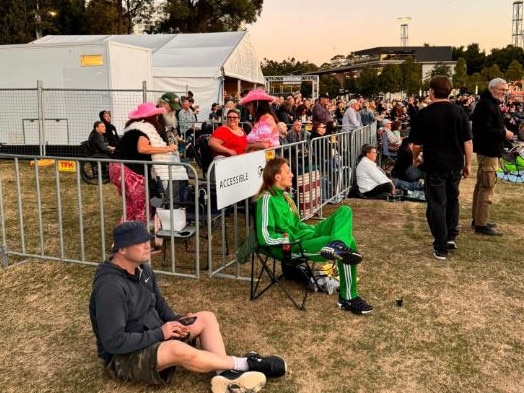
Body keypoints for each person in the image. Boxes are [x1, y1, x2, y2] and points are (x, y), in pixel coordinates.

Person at [89, 221, 286, 393]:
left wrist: (175, 320)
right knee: (176, 348)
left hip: (154, 334)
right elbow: (114, 342)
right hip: (123, 358)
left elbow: (158, 303)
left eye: (147, 240)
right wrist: (161, 333)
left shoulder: (143, 269)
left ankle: (226, 377)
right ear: (121, 249)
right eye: (139, 242)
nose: (147, 245)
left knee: (206, 318)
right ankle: (245, 364)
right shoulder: (110, 287)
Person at [254, 157, 373, 315]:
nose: (292, 175)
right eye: (288, 171)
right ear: (277, 176)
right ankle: (348, 298)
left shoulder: (285, 197)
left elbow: (296, 224)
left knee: (345, 211)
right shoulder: (266, 200)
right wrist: (291, 238)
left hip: (306, 234)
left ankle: (337, 245)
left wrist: (309, 230)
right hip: (290, 247)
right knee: (349, 242)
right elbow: (264, 237)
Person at [410, 75, 473, 260]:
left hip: (435, 165)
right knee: (453, 199)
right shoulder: (459, 111)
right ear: (450, 91)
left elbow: (416, 144)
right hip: (455, 164)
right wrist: (468, 163)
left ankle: (441, 245)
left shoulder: (425, 114)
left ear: (431, 91)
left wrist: (415, 159)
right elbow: (467, 142)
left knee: (437, 204)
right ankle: (450, 236)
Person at [109, 103, 177, 223]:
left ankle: (125, 236)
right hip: (129, 170)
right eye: (156, 116)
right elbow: (143, 148)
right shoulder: (143, 130)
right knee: (141, 206)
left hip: (116, 167)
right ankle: (140, 236)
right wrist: (166, 149)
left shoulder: (133, 129)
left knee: (130, 205)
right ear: (152, 117)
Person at [470, 78, 514, 236]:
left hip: (487, 150)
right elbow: (484, 130)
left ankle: (478, 219)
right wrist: (504, 133)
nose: (504, 92)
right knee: (487, 187)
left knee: (481, 185)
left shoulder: (488, 104)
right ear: (492, 89)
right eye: (502, 90)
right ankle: (481, 224)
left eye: (505, 90)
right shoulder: (487, 105)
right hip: (488, 151)